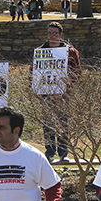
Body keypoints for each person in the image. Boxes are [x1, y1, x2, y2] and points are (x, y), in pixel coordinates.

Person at [35, 21, 81, 163]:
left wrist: (69, 79)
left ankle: (63, 153)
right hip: (46, 94)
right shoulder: (40, 51)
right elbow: (33, 72)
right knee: (48, 124)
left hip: (63, 93)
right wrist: (35, 88)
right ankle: (49, 153)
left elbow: (78, 72)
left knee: (63, 124)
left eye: (55, 33)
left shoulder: (70, 51)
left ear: (61, 34)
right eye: (49, 33)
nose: (52, 36)